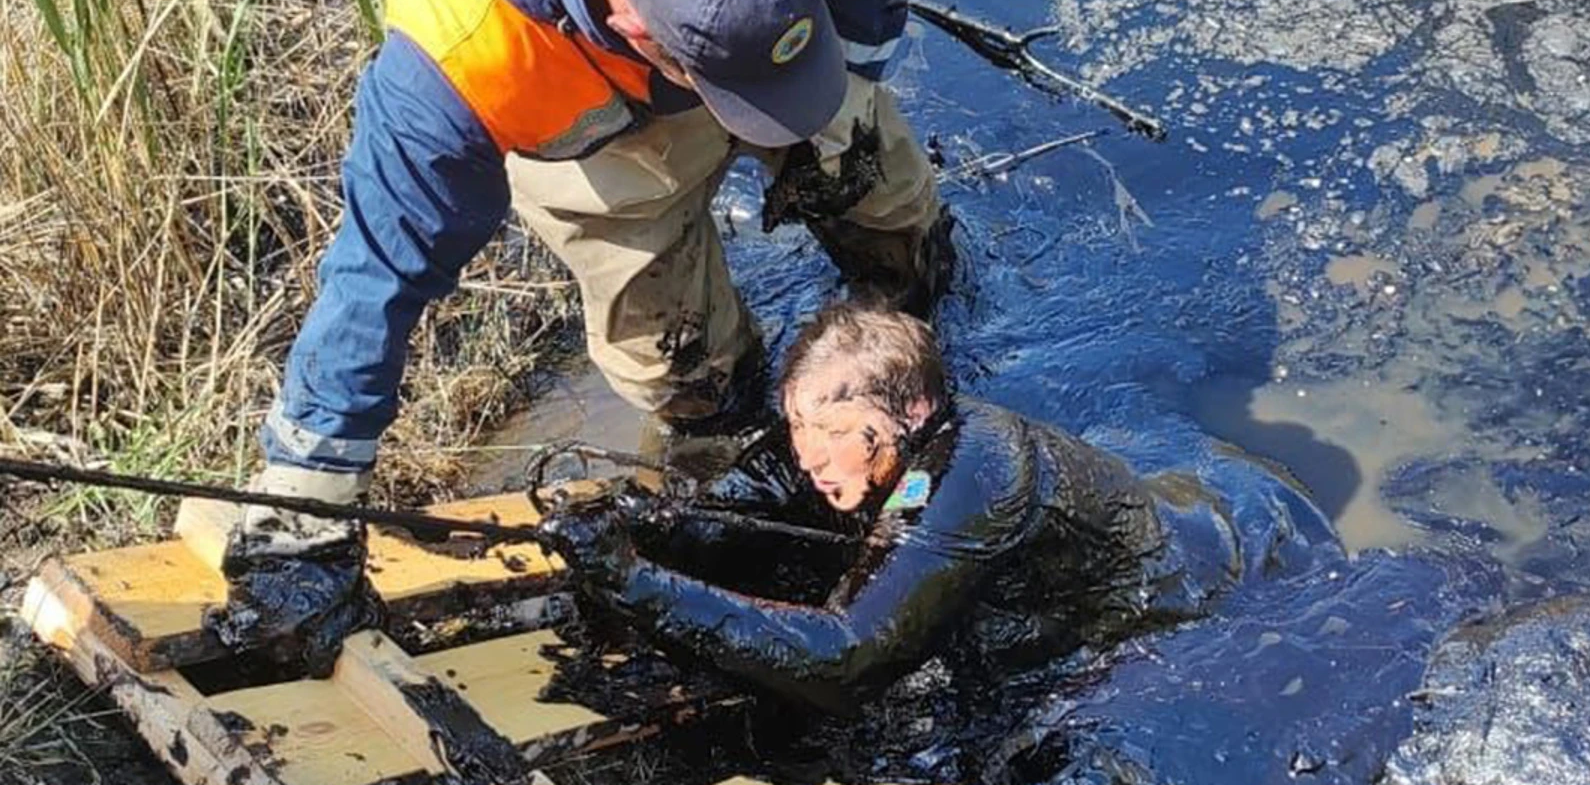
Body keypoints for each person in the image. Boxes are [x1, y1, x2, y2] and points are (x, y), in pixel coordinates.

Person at [207, 0, 952, 677]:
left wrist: (847, 91)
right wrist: (305, 513)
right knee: (685, 368)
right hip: (597, 138)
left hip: (784, 42)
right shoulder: (459, 52)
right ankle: (749, 448)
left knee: (883, 195)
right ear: (636, 27)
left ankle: (906, 325)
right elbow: (377, 280)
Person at [539, 304, 1332, 716]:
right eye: (797, 428)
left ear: (912, 411)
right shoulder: (851, 433)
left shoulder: (977, 478)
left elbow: (845, 661)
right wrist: (648, 529)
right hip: (1166, 504)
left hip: (1212, 582)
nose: (810, 455)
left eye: (833, 434)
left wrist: (632, 582)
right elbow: (737, 508)